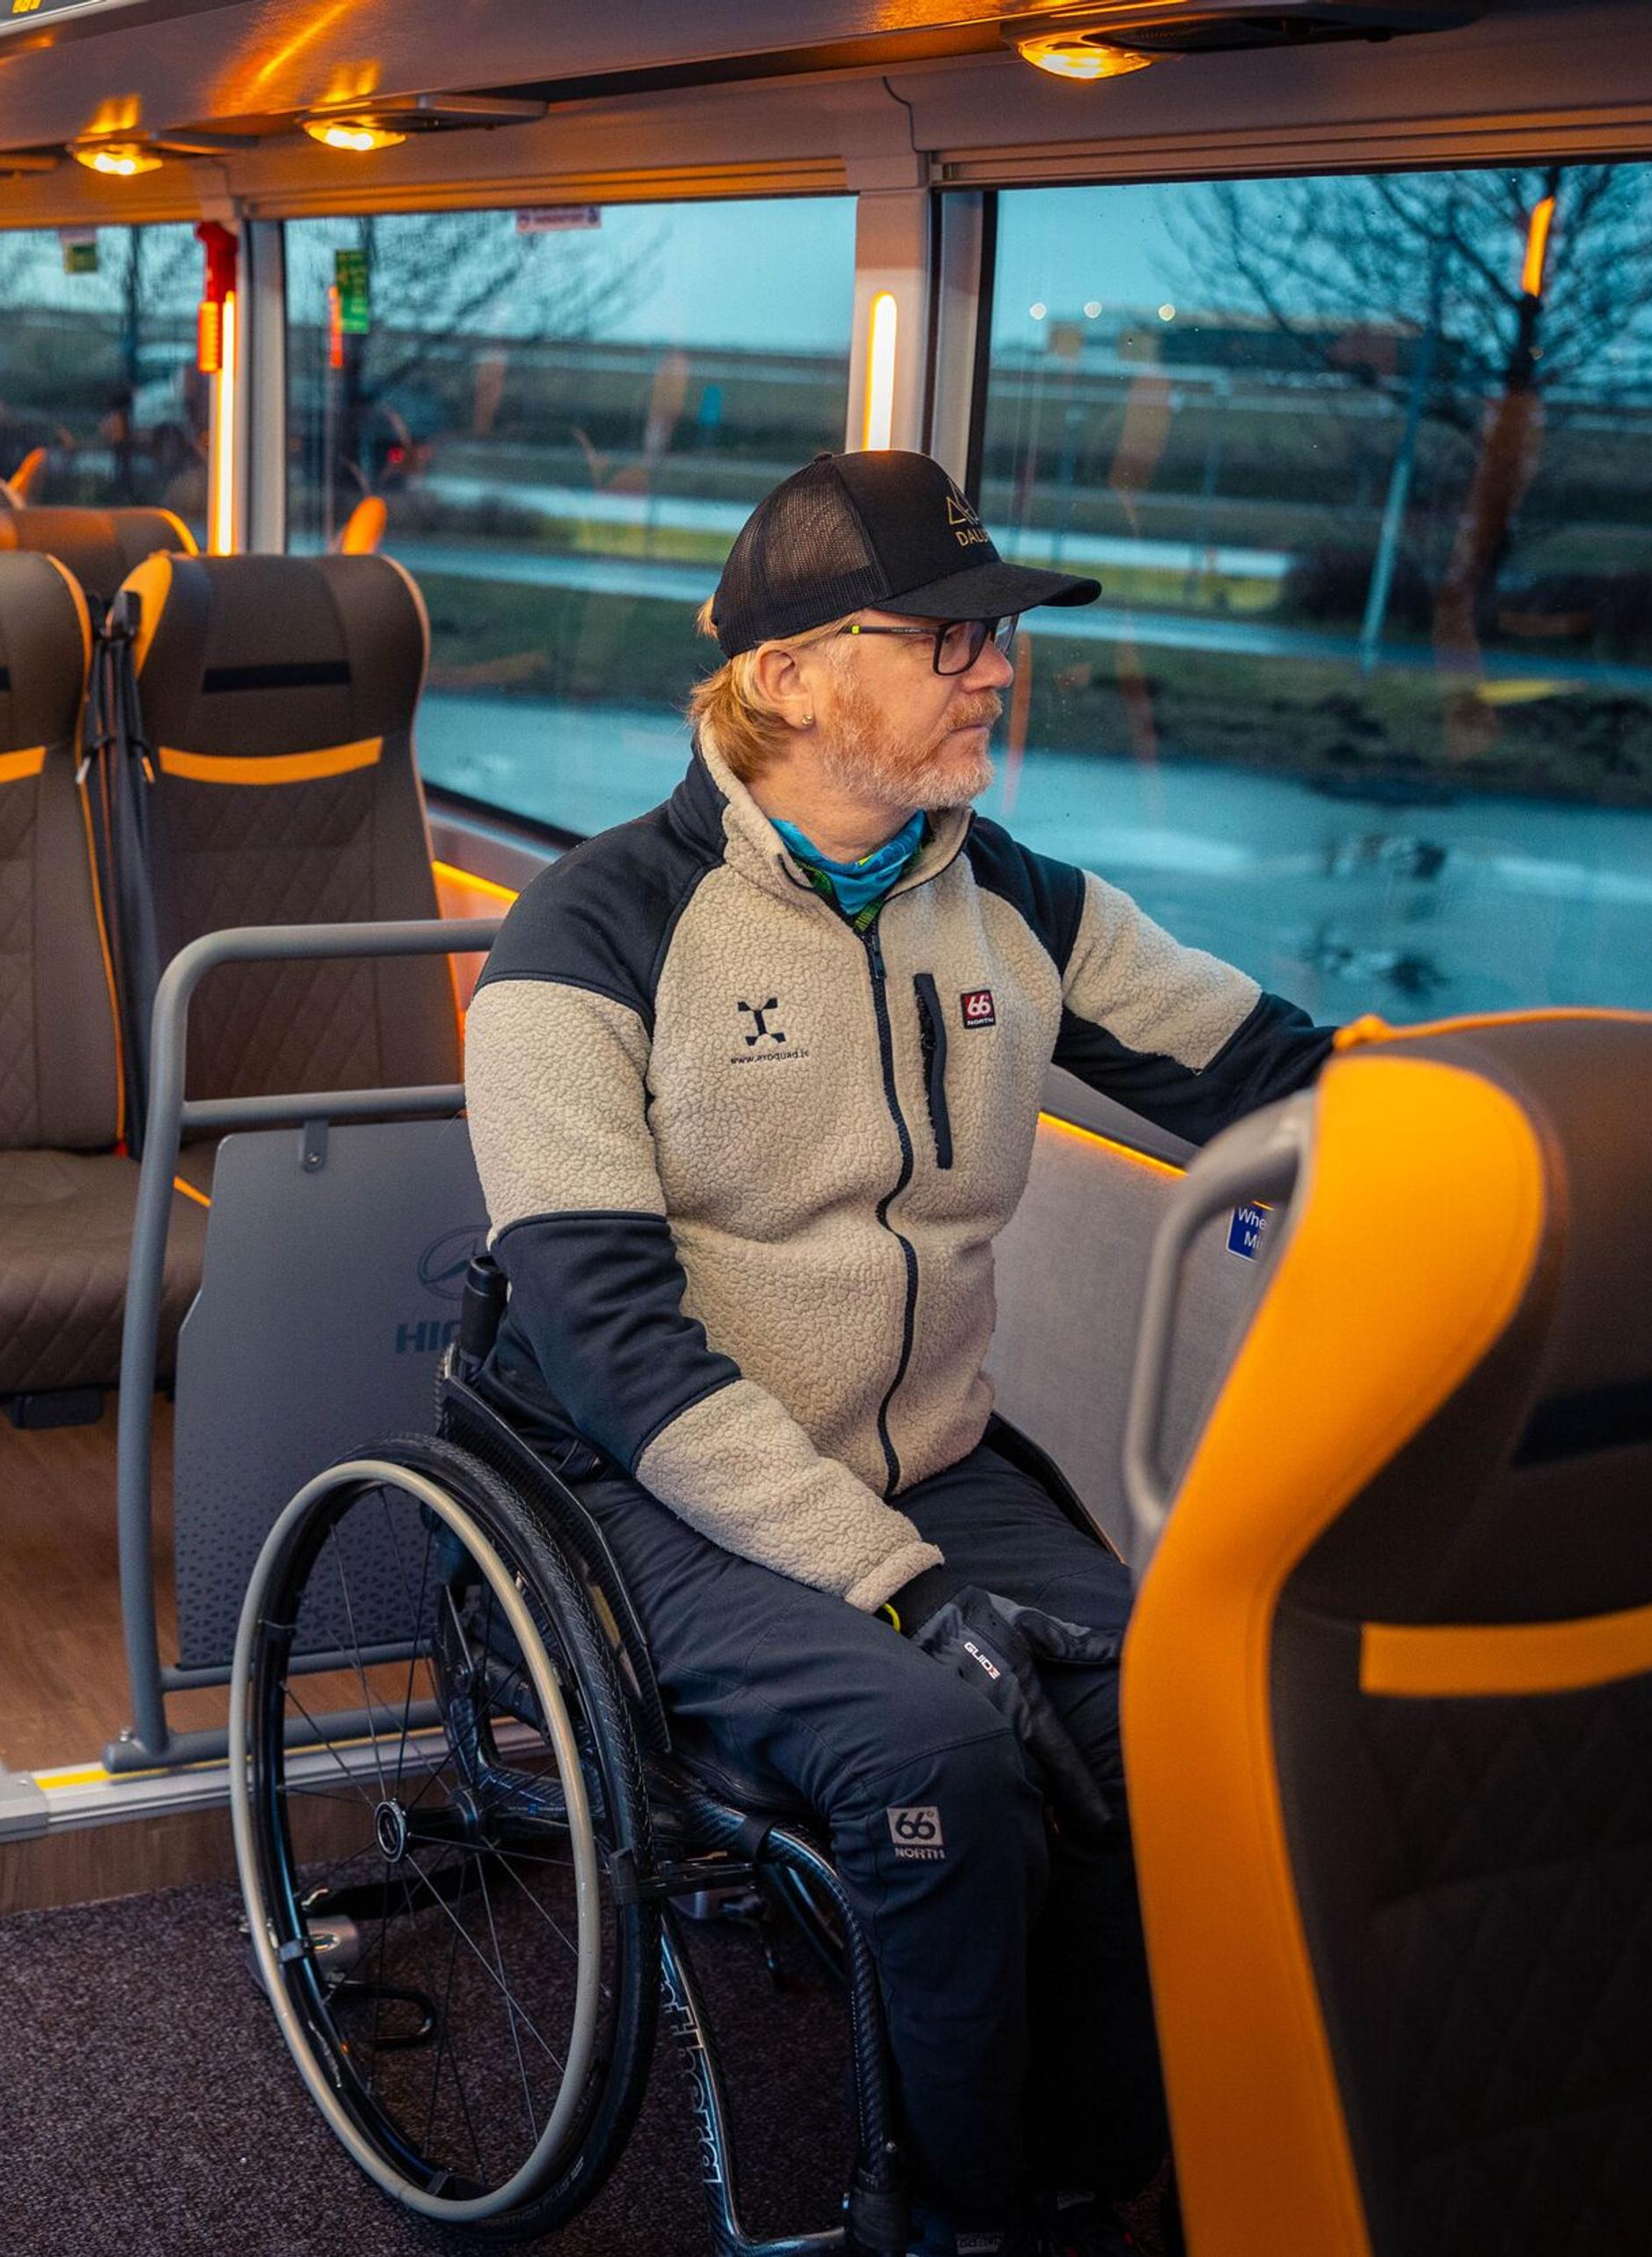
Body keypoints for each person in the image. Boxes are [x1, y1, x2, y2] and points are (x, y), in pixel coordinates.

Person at [462, 450, 1333, 2255]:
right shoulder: (588, 940)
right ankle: (947, 2216)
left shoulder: (1010, 898)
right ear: (783, 677)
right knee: (938, 1753)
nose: (995, 668)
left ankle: (1093, 2171)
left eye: (995, 635)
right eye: (945, 636)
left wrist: (1533, 1128)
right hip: (656, 1489)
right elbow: (613, 1347)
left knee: (1173, 1706)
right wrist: (896, 1584)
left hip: (929, 1455)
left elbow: (1280, 1067)